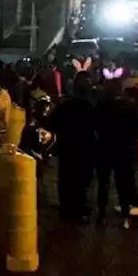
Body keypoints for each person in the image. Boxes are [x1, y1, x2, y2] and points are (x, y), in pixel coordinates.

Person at [93, 80, 138, 220]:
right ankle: (125, 211)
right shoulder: (130, 107)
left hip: (104, 148)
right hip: (125, 149)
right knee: (123, 181)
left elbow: (93, 124)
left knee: (103, 182)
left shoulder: (102, 105)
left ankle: (101, 212)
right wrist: (131, 135)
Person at [49, 72, 98, 223]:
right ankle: (78, 209)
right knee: (82, 180)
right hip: (85, 148)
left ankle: (67, 209)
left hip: (67, 147)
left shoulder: (65, 106)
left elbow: (51, 124)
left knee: (66, 178)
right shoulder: (92, 107)